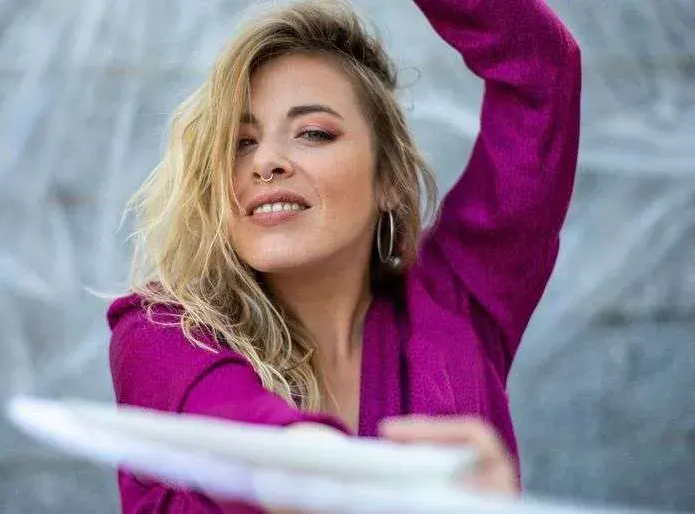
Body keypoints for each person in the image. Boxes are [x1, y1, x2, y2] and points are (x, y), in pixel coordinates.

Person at [107, 0, 581, 511]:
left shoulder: (460, 298)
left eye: (314, 133)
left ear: (389, 180)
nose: (265, 161)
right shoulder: (159, 333)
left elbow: (542, 69)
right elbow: (269, 454)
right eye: (240, 143)